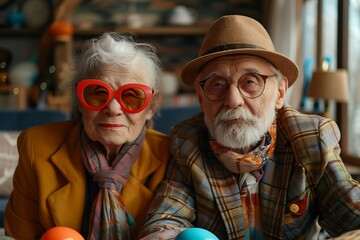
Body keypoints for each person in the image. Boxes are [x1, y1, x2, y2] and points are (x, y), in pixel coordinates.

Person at [139, 15, 360, 239]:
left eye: (250, 81)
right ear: (200, 97)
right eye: (217, 84)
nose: (233, 100)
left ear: (280, 93)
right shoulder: (188, 141)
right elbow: (165, 219)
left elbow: (353, 215)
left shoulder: (311, 139)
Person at [4, 32, 171, 239]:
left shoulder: (171, 155)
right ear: (80, 101)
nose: (113, 108)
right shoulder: (36, 147)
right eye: (98, 93)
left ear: (151, 107)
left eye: (131, 96)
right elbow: (20, 236)